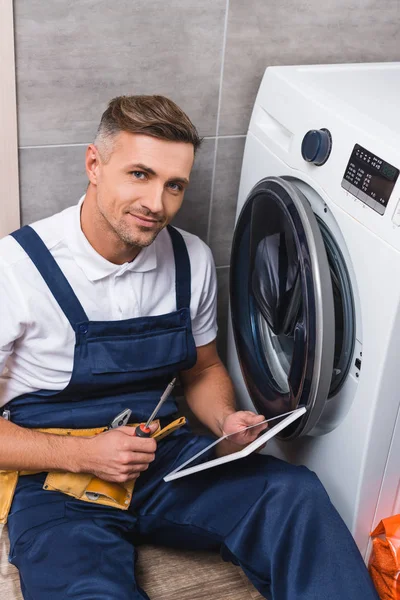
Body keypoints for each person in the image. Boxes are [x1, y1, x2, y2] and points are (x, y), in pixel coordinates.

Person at [0, 95, 378, 600]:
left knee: (292, 494)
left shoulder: (190, 258)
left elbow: (203, 369)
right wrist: (84, 453)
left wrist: (224, 421)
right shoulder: (16, 269)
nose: (157, 203)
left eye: (173, 185)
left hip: (163, 455)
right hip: (57, 479)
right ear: (94, 164)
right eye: (140, 174)